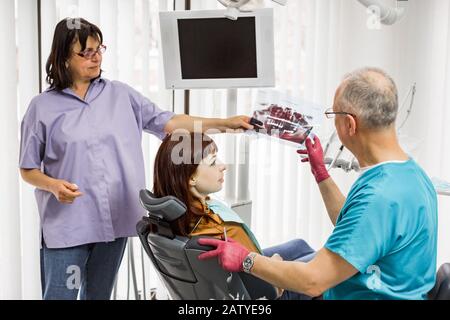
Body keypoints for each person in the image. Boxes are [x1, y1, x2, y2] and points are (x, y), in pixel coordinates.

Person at [19, 17, 254, 300]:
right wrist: (53, 185)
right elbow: (28, 169)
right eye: (86, 52)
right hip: (68, 226)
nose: (95, 58)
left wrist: (225, 123)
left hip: (114, 222)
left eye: (99, 49)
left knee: (99, 297)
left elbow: (168, 122)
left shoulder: (120, 94)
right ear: (64, 58)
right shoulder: (42, 108)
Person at [198, 67, 438, 300]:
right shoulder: (410, 174)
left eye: (333, 115)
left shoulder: (379, 196)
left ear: (350, 125)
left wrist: (245, 259)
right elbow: (355, 226)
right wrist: (320, 171)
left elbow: (313, 281)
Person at [153, 132, 316, 299]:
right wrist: (275, 265)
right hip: (268, 289)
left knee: (300, 245)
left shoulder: (179, 215)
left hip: (247, 269)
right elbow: (265, 287)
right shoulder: (215, 230)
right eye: (213, 162)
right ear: (191, 178)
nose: (223, 166)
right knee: (327, 268)